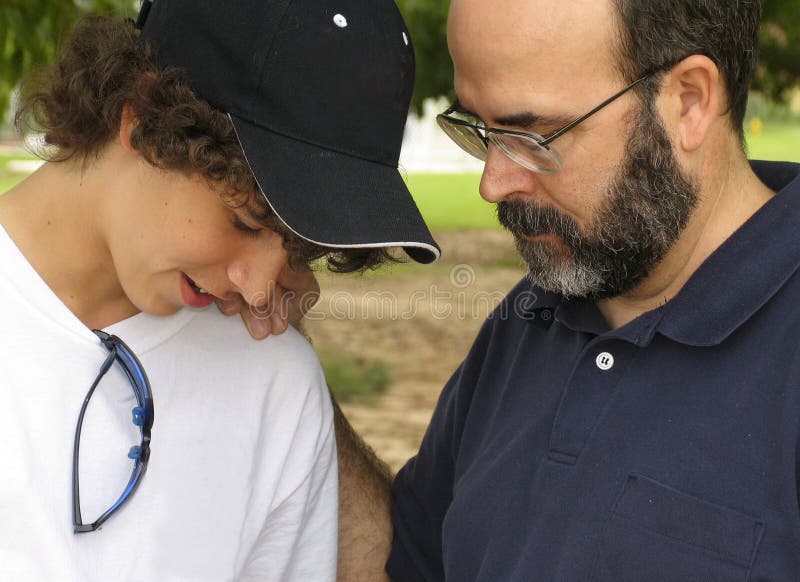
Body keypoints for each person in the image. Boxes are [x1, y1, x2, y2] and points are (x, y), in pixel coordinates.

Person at [332, 0, 800, 580]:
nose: (492, 183)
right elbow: (415, 564)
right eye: (480, 128)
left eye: (534, 136)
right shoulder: (531, 315)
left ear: (690, 101)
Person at [0, 0, 438, 580]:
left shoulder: (274, 378)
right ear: (141, 121)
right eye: (246, 222)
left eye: (302, 248)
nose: (261, 291)